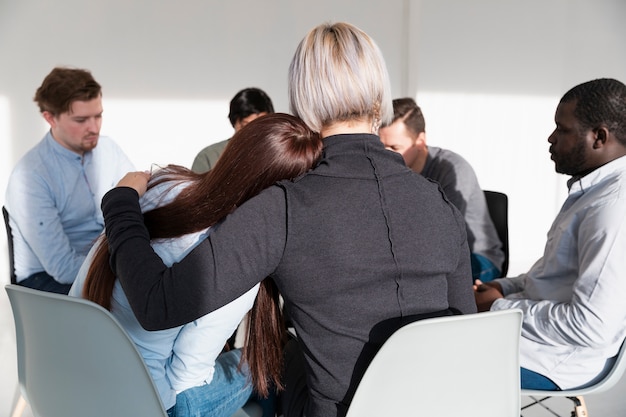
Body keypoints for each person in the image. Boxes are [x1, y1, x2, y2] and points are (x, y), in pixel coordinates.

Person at [100, 22, 477, 417]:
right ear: (380, 94)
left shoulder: (284, 209)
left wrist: (120, 203)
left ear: (301, 99)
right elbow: (465, 333)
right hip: (442, 407)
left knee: (283, 360)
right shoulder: (438, 203)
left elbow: (157, 305)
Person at [70, 113, 323, 417]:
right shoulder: (237, 257)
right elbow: (187, 377)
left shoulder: (163, 183)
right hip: (146, 405)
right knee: (273, 363)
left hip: (69, 380)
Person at [474, 78, 626, 391]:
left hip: (558, 360)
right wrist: (501, 286)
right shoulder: (592, 192)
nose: (551, 138)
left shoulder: (612, 208)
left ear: (599, 137)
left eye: (563, 129)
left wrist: (497, 308)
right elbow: (552, 276)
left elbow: (591, 328)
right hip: (541, 344)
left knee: (422, 358)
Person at [4, 66, 134, 294]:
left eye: (98, 116)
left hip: (106, 262)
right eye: (81, 120)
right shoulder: (30, 177)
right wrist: (125, 271)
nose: (94, 128)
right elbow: (62, 268)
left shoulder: (108, 149)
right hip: (45, 284)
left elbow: (140, 205)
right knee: (144, 301)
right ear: (50, 118)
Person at [379, 98, 504, 282]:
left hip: (476, 257)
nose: (385, 155)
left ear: (420, 141)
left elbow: (443, 237)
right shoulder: (390, 171)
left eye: (394, 147)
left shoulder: (453, 169)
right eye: (381, 146)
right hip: (425, 256)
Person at [191, 87, 275, 173]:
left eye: (261, 126)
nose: (254, 133)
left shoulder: (279, 156)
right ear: (235, 122)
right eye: (246, 126)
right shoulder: (209, 157)